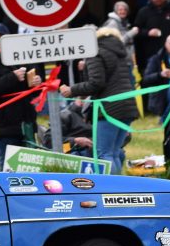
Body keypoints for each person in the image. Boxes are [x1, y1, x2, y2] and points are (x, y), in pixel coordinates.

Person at [60, 27, 140, 174]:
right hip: (128, 105)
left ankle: (111, 190)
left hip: (109, 108)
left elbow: (96, 83)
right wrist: (86, 68)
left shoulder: (94, 52)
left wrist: (72, 90)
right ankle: (117, 189)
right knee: (114, 151)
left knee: (104, 153)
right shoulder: (119, 52)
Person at [0, 23, 42, 167]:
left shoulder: (21, 60)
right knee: (9, 171)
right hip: (3, 128)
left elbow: (33, 90)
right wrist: (12, 77)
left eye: (0, 38)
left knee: (30, 169)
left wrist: (36, 83)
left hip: (26, 125)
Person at [141, 33, 170, 167]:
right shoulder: (157, 59)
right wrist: (160, 74)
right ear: (165, 44)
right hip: (164, 98)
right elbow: (145, 80)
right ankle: (164, 118)